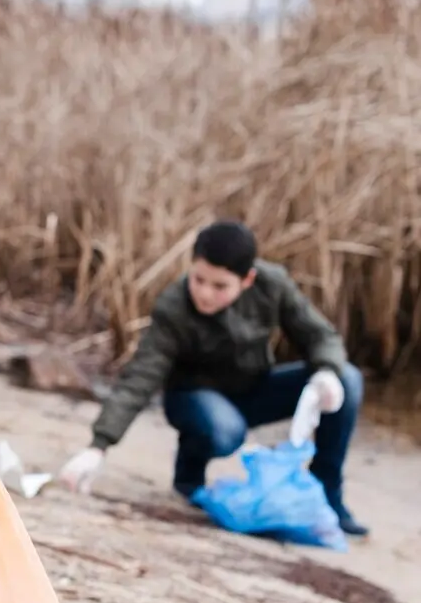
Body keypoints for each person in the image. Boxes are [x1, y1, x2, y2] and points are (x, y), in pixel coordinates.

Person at [57, 220, 368, 536]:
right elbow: (140, 378)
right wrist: (99, 446)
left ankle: (327, 495)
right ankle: (190, 470)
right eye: (199, 279)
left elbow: (320, 336)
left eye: (219, 286)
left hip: (253, 388)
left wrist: (326, 371)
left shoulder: (273, 286)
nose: (205, 294)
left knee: (348, 380)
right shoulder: (174, 305)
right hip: (194, 398)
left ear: (247, 280)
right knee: (224, 430)